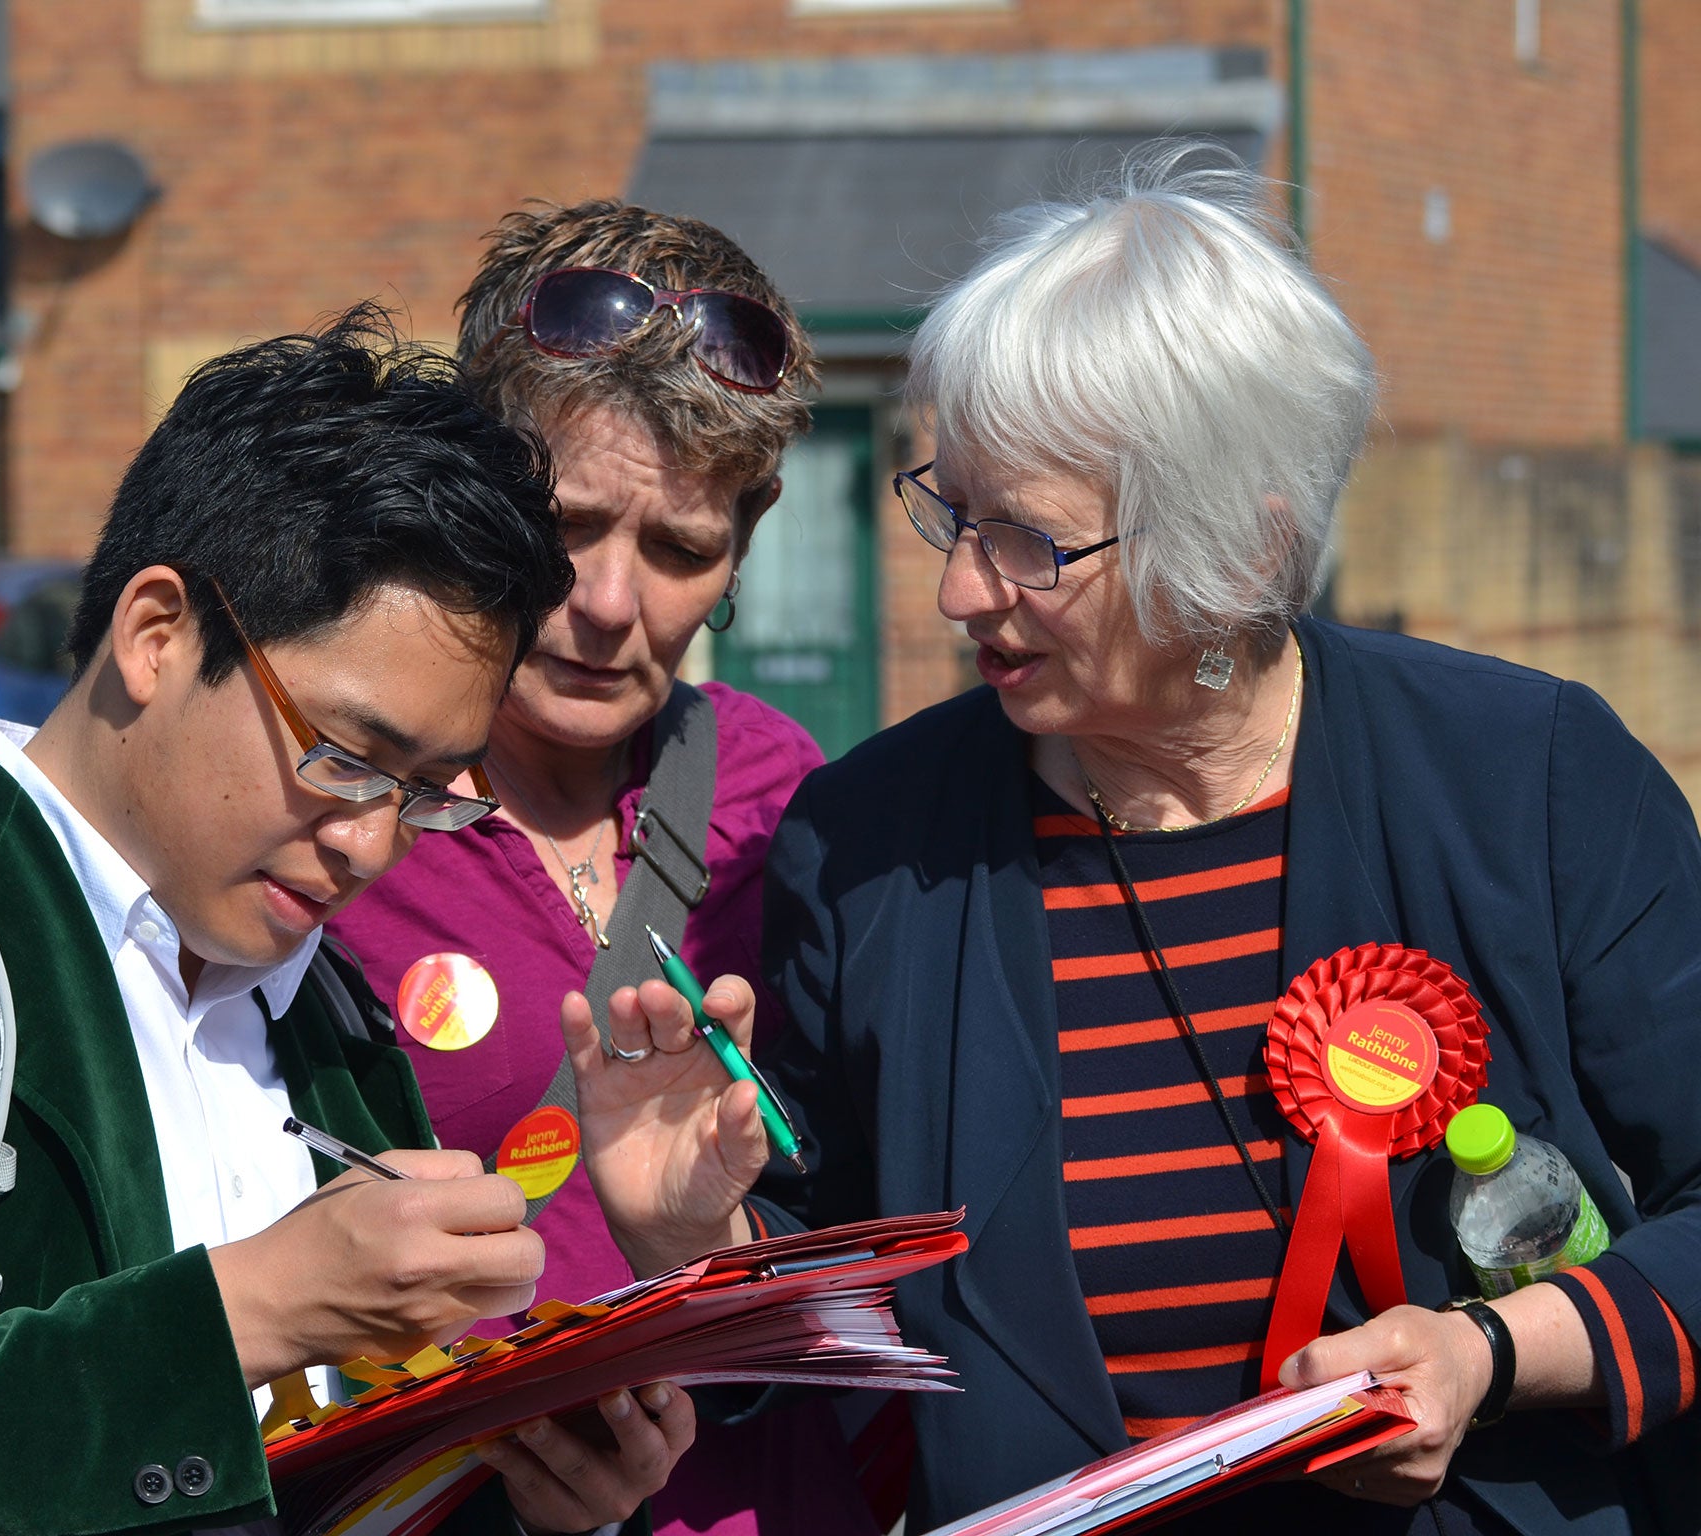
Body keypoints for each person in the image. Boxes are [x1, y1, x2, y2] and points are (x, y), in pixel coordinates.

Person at [559, 148, 1701, 1534]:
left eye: (1032, 543)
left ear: (1239, 547)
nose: (958, 588)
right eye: (952, 512)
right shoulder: (867, 848)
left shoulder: (1532, 781)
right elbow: (837, 1312)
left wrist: (1494, 1353)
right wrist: (698, 1242)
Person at [0, 311, 698, 1536]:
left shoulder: (330, 1008)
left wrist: (530, 1500)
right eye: (345, 757)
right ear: (157, 635)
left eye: (426, 795)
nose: (369, 842)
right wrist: (248, 1310)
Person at [330, 202, 881, 1536]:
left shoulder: (785, 793)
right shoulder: (331, 804)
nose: (612, 602)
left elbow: (859, 1233)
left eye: (684, 549)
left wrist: (709, 1266)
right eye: (570, 524)